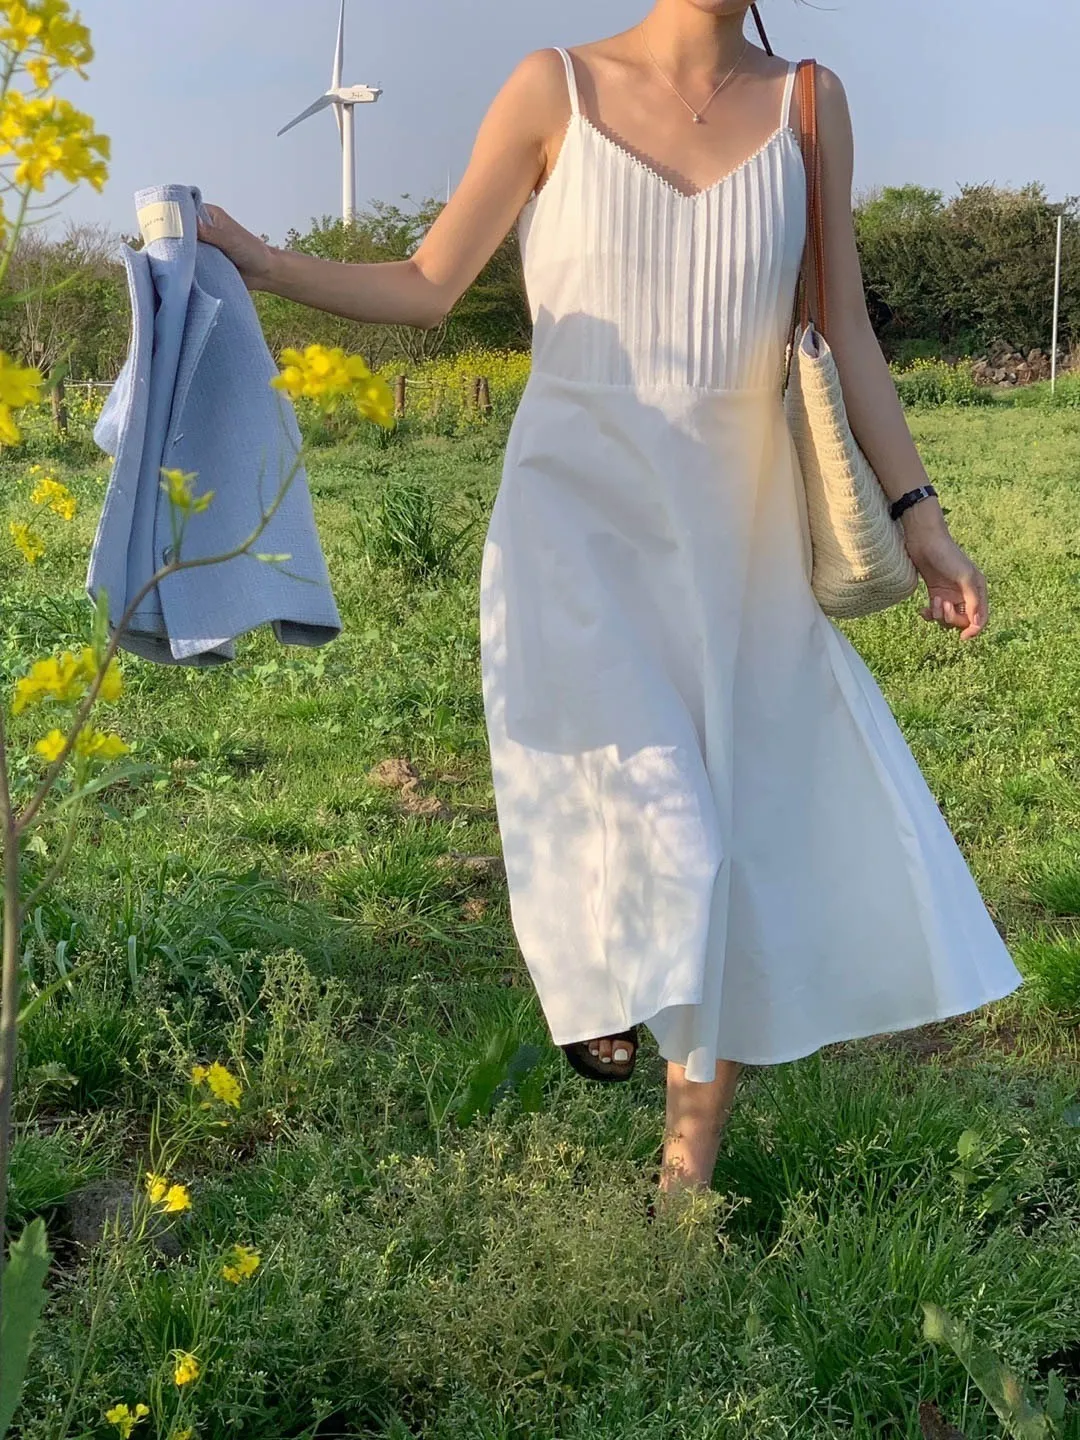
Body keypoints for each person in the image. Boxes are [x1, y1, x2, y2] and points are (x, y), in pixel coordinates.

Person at [199, 0, 1023, 1203]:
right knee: (669, 828)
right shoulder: (555, 89)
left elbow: (843, 328)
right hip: (575, 528)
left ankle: (683, 1184)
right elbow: (429, 284)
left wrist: (921, 515)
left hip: (742, 533)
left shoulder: (809, 102)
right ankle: (597, 972)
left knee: (737, 839)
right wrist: (262, 261)